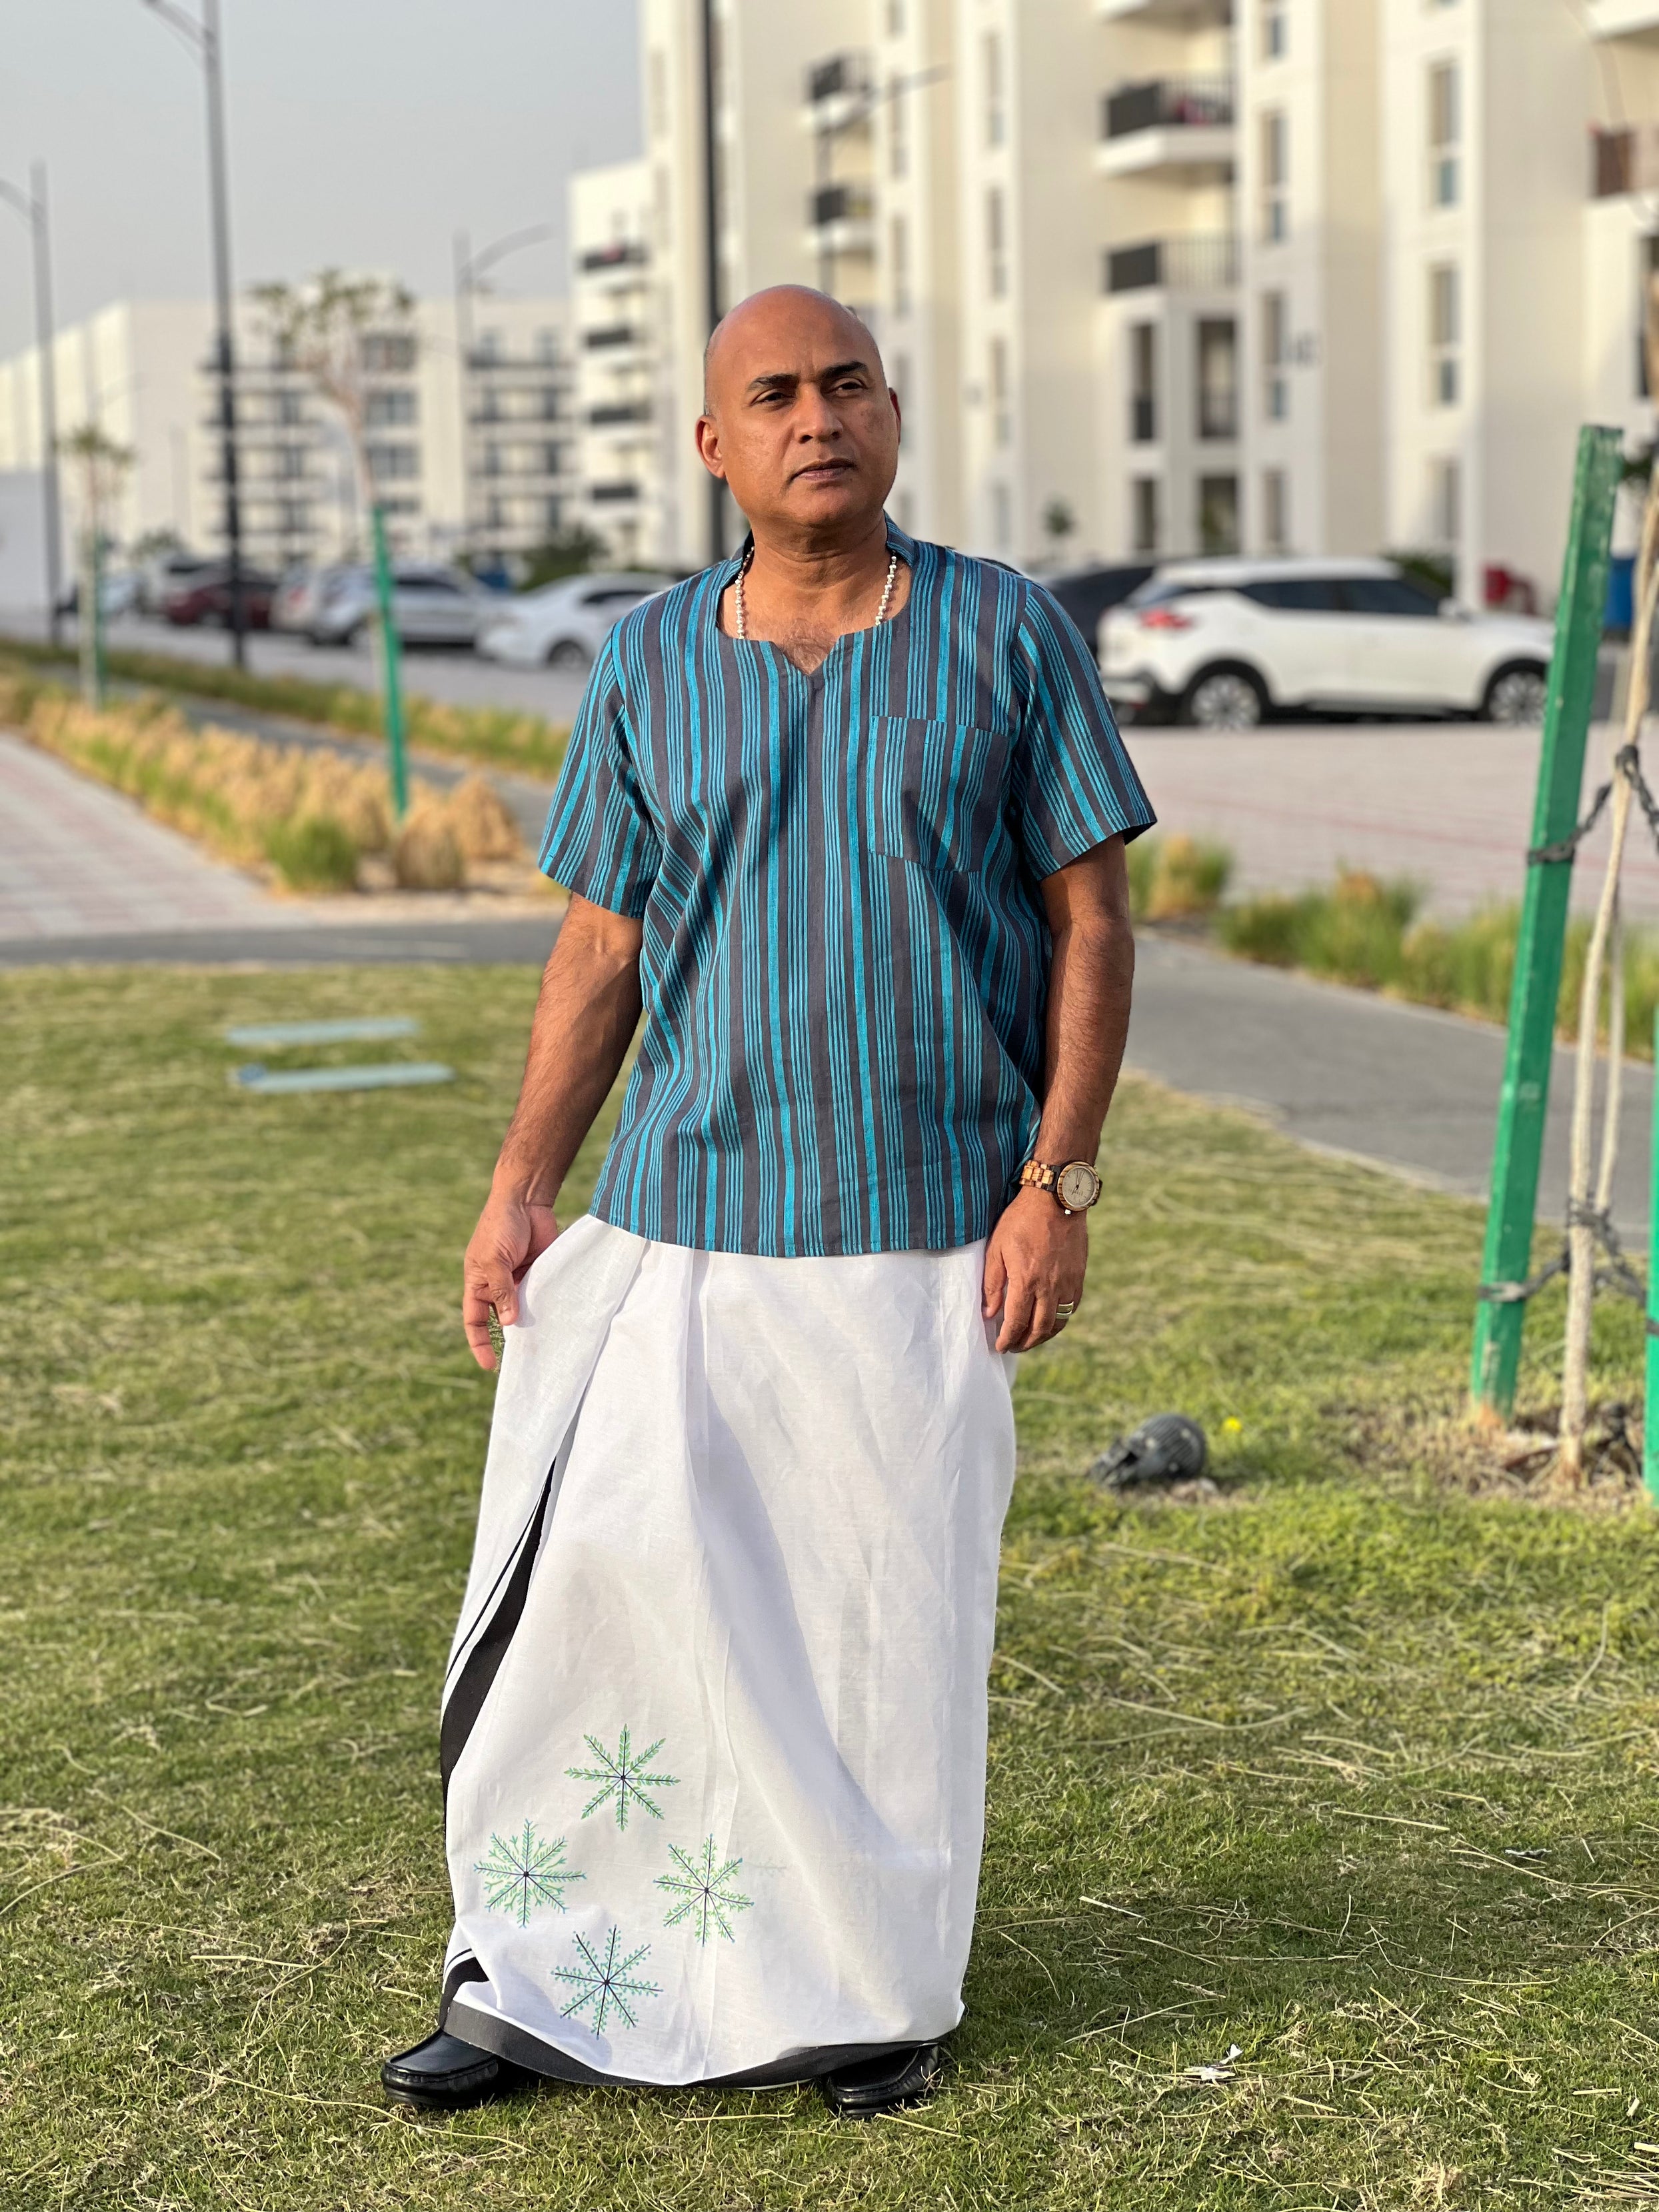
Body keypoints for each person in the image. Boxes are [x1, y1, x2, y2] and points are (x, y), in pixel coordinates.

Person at [381, 285, 1153, 2120]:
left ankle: (865, 1996)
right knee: (602, 1609)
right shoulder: (647, 661)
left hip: (917, 1233)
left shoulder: (1005, 634)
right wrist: (518, 1187)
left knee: (879, 1641)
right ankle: (538, 1972)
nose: (820, 416)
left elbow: (1092, 923)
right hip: (681, 1218)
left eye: (849, 384)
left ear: (892, 413)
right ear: (714, 444)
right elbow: (602, 944)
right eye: (778, 393)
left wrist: (1056, 1182)